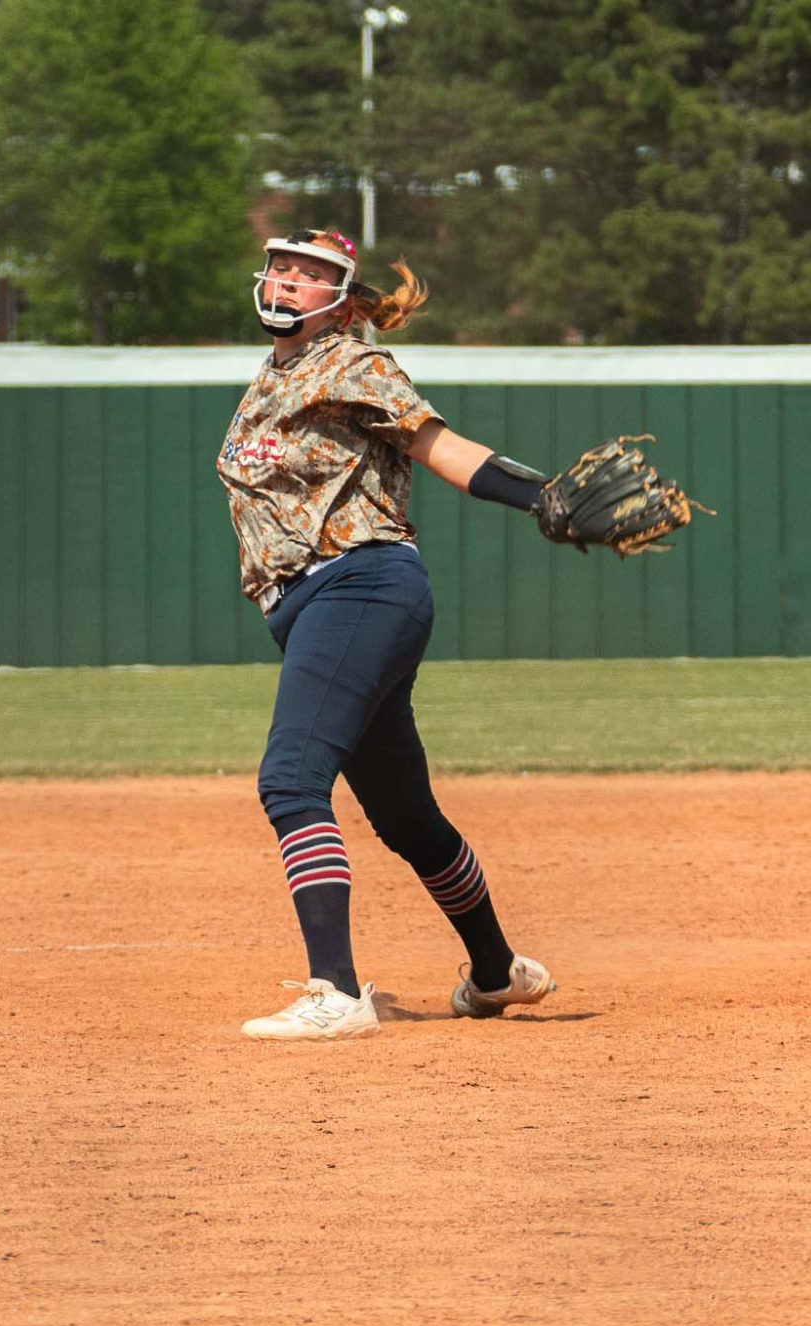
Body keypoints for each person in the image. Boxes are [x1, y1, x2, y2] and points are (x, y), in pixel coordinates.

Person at [217, 228, 576, 1041]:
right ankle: (496, 973)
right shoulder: (271, 379)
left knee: (291, 780)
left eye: (311, 276)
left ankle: (336, 991)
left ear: (340, 301)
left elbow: (442, 450)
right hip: (317, 604)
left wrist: (541, 498)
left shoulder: (351, 362)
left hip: (360, 585)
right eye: (282, 267)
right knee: (405, 815)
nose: (288, 282)